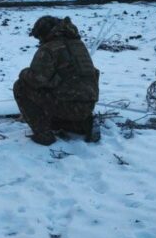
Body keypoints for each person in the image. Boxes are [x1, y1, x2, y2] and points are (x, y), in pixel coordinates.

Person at [13, 15, 100, 146]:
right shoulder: (78, 44)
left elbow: (36, 79)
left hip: (67, 105)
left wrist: (23, 73)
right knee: (63, 95)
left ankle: (43, 135)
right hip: (88, 106)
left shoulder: (49, 48)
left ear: (43, 34)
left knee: (21, 86)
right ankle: (83, 123)